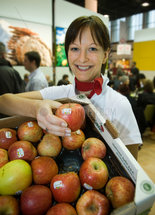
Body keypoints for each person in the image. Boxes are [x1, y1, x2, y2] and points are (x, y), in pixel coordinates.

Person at [0, 16, 142, 159]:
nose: (82, 58)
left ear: (105, 55)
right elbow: (3, 101)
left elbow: (132, 170)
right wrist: (37, 107)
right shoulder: (60, 93)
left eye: (92, 49)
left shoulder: (119, 104)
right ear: (67, 53)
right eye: (75, 48)